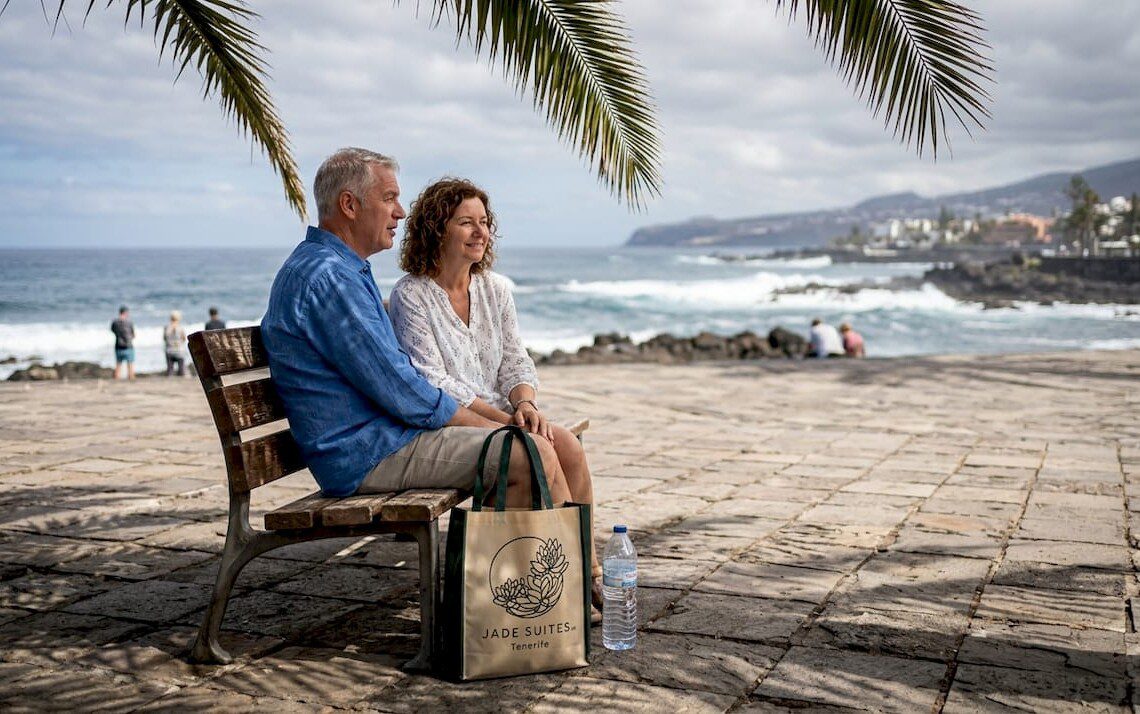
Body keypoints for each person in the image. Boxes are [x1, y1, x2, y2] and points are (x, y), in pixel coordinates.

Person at [259, 149, 599, 611]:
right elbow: (403, 387)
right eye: (389, 198)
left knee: (545, 445)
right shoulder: (329, 278)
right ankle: (544, 608)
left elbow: (400, 381)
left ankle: (564, 592)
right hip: (364, 452)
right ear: (349, 205)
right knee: (526, 453)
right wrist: (498, 426)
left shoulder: (341, 270)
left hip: (384, 437)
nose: (399, 211)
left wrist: (514, 413)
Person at [388, 177, 601, 603]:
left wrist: (525, 403)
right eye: (466, 222)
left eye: (484, 222)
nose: (480, 232)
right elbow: (434, 381)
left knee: (568, 446)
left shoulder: (495, 289)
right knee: (540, 450)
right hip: (449, 424)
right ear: (436, 228)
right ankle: (570, 585)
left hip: (502, 415)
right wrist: (507, 422)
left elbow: (515, 359)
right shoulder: (411, 295)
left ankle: (589, 569)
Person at [110, 305, 135, 380]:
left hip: (118, 345)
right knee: (130, 365)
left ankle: (116, 379)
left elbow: (112, 330)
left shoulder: (115, 322)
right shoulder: (129, 322)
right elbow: (133, 334)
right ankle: (131, 379)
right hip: (128, 346)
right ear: (125, 312)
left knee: (118, 365)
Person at [163, 311, 187, 376]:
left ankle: (170, 376)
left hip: (169, 350)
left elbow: (164, 338)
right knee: (181, 369)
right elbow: (184, 339)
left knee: (170, 370)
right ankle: (181, 375)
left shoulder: (166, 327)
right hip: (179, 350)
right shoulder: (180, 327)